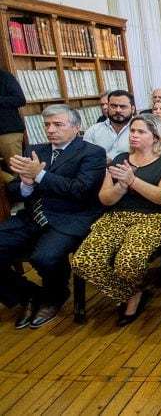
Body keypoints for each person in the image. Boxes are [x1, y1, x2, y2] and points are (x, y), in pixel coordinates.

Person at [0, 104, 106, 329]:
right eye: (47, 125)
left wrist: (38, 175)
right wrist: (26, 185)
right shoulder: (34, 150)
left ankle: (54, 297)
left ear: (77, 127)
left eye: (58, 124)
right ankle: (26, 294)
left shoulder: (92, 153)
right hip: (31, 217)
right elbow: (14, 189)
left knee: (45, 258)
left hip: (69, 217)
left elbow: (80, 190)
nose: (51, 130)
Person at [72, 115, 161, 326]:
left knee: (128, 262)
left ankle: (133, 294)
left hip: (153, 218)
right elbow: (105, 198)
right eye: (133, 131)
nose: (134, 135)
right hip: (116, 216)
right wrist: (121, 186)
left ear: (155, 137)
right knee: (84, 262)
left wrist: (133, 181)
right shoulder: (120, 159)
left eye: (141, 132)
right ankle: (134, 292)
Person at [84, 90, 135, 162]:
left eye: (123, 107)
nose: (118, 110)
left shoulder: (143, 130)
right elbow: (86, 158)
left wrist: (113, 163)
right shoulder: (93, 131)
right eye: (114, 106)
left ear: (132, 109)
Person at [0, 69, 26, 184]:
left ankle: (23, 198)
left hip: (8, 131)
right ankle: (14, 186)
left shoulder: (5, 76)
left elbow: (20, 99)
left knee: (17, 170)